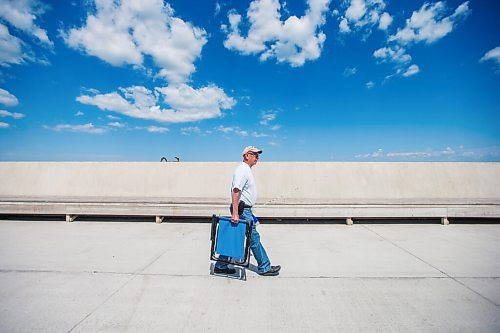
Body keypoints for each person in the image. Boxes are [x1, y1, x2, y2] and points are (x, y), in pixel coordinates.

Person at [214, 146, 281, 276]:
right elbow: (236, 191)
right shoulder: (242, 170)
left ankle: (220, 265)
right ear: (247, 156)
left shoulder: (246, 170)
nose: (257, 158)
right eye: (255, 155)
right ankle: (264, 267)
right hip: (242, 210)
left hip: (245, 210)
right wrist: (235, 213)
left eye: (258, 155)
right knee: (253, 238)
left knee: (236, 236)